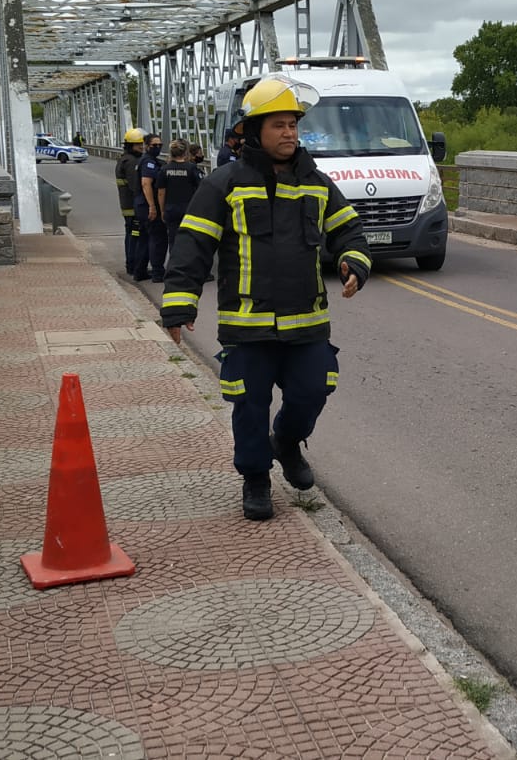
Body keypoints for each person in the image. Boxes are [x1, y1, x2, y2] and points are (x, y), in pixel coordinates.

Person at [161, 74, 374, 521]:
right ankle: (256, 477)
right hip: (247, 326)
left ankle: (288, 442)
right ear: (254, 131)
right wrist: (179, 303)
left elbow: (350, 231)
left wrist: (353, 262)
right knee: (249, 404)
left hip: (306, 324)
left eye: (293, 125)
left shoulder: (317, 182)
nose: (289, 133)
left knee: (314, 390)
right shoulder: (224, 184)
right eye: (279, 125)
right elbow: (192, 244)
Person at [157, 140, 204, 269]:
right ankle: (190, 267)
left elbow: (161, 193)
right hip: (189, 209)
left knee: (173, 239)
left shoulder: (165, 169)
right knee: (190, 239)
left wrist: (162, 210)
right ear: (185, 152)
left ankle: (174, 267)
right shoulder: (191, 168)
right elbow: (201, 189)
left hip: (171, 209)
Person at [137, 133, 167, 282]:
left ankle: (140, 271)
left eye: (160, 145)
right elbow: (146, 183)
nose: (158, 147)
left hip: (142, 204)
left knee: (145, 239)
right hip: (147, 205)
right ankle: (157, 272)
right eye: (154, 145)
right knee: (158, 239)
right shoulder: (148, 161)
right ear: (146, 146)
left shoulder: (152, 160)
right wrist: (152, 207)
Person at [116, 128, 146, 277]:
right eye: (138, 144)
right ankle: (133, 265)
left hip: (128, 205)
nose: (141, 147)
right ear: (130, 145)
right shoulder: (131, 162)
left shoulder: (124, 159)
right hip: (133, 207)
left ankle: (131, 264)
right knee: (135, 235)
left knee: (131, 234)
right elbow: (136, 186)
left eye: (142, 144)